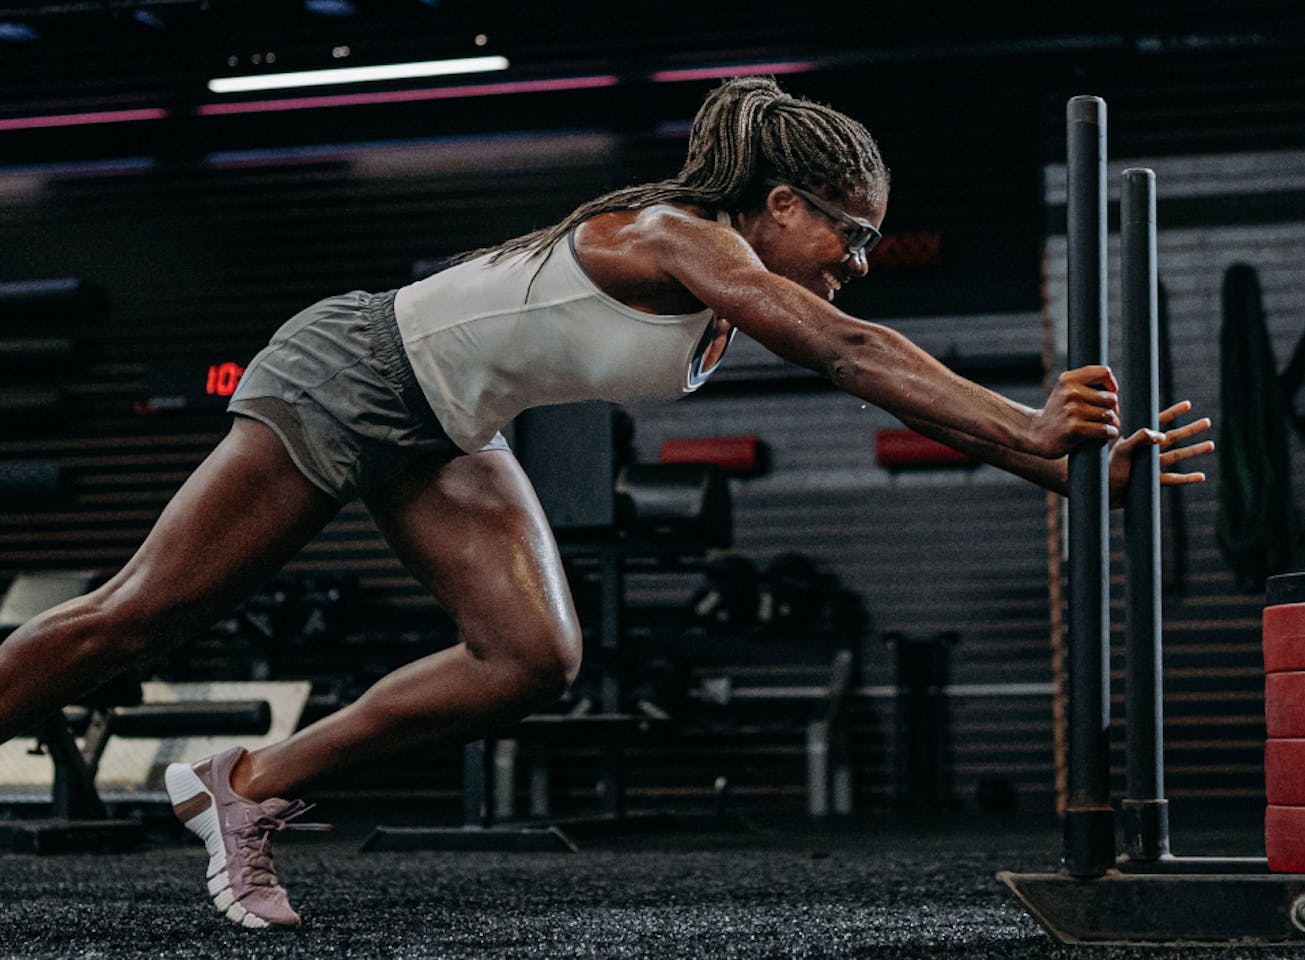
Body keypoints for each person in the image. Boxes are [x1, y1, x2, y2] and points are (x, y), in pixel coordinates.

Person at [0, 76, 1212, 929]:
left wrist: (1073, 471)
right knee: (133, 620)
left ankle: (245, 788)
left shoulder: (731, 284)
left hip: (449, 427)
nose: (855, 259)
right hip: (355, 369)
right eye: (848, 233)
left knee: (531, 657)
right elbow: (854, 354)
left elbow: (866, 366)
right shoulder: (678, 236)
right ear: (780, 203)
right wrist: (1030, 425)